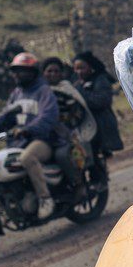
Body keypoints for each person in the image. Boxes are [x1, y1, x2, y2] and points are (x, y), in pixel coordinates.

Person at [0, 53, 68, 220]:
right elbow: (4, 118)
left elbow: (49, 116)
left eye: (21, 70)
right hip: (19, 141)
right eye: (15, 71)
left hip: (43, 140)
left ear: (32, 72)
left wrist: (28, 129)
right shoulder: (16, 94)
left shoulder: (43, 91)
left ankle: (45, 199)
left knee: (27, 158)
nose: (16, 74)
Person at [42, 57, 97, 200]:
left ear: (61, 74)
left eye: (56, 71)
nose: (53, 74)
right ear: (43, 73)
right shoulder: (39, 92)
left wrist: (63, 125)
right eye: (49, 71)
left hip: (66, 134)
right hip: (44, 134)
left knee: (62, 155)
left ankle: (78, 184)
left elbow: (77, 113)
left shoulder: (66, 89)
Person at [72, 52, 124, 161]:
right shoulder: (78, 85)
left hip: (101, 127)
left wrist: (80, 92)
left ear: (90, 67)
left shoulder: (101, 80)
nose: (79, 72)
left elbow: (101, 101)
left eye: (82, 68)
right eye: (76, 69)